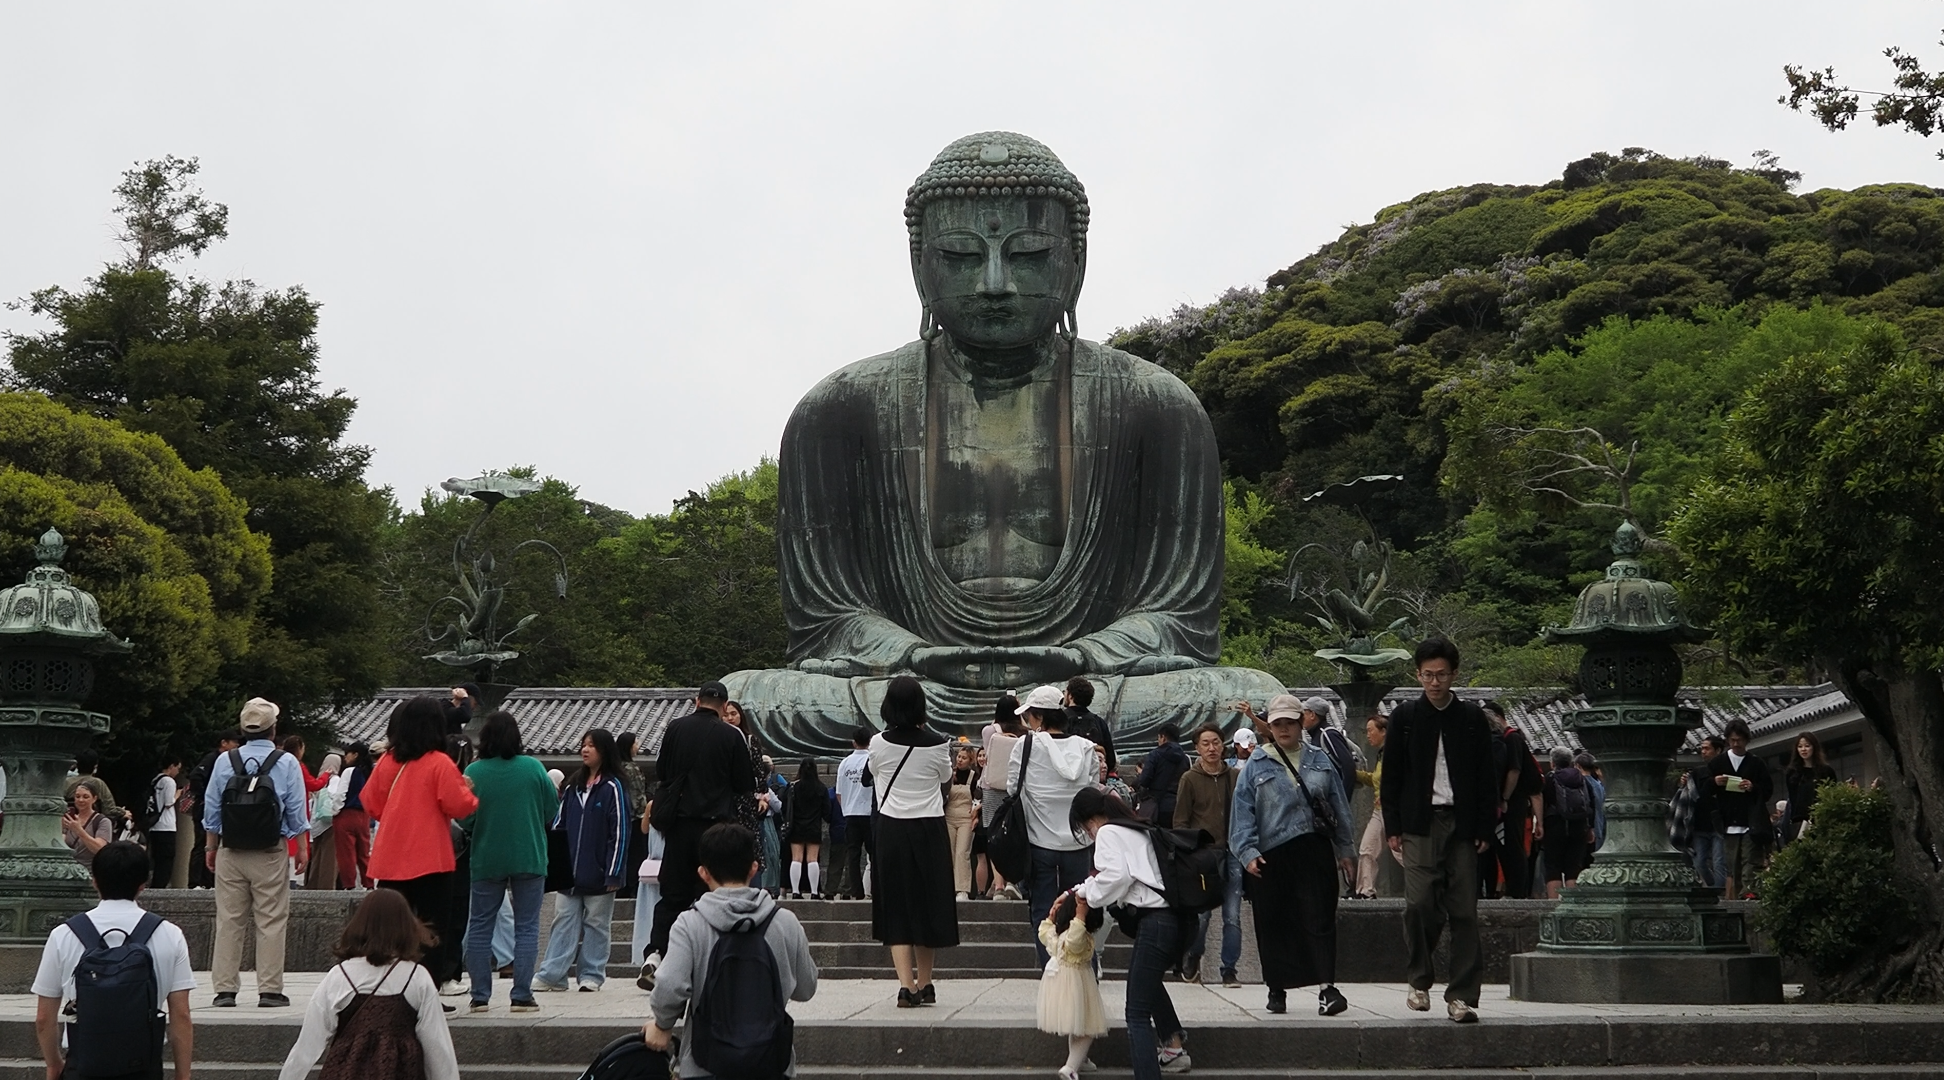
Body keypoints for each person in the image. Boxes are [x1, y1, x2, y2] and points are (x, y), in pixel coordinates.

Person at [1380, 637, 1497, 1024]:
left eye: (1441, 674)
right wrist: (1393, 827)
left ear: (1454, 674)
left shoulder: (1471, 718)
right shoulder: (1406, 717)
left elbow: (1486, 776)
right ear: (1418, 675)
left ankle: (1462, 995)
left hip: (1462, 824)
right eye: (1428, 675)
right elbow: (1392, 775)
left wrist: (1483, 825)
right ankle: (1419, 979)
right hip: (1419, 823)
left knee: (1464, 910)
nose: (1435, 682)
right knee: (1419, 904)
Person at [642, 823, 818, 1077]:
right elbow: (806, 988)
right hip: (771, 1062)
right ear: (754, 867)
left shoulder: (690, 923)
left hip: (706, 1063)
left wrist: (662, 1024)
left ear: (703, 873)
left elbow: (670, 984)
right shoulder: (784, 921)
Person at [1233, 700, 1356, 1016]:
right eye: (1277, 724)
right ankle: (1276, 988)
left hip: (1313, 849)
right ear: (1269, 727)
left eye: (1290, 722)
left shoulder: (1320, 760)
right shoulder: (1256, 764)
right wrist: (1247, 852)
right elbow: (1241, 813)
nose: (1284, 728)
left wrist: (1345, 850)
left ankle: (1327, 988)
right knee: (1273, 921)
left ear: (1301, 722)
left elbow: (1339, 807)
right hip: (1271, 853)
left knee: (1320, 919)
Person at [33, 841, 195, 1080]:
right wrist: (183, 1076)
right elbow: (181, 1016)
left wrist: (53, 1064)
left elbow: (44, 1018)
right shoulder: (169, 934)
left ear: (95, 881)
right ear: (143, 885)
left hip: (83, 1064)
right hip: (143, 1064)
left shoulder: (63, 934)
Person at [363, 695, 481, 1003]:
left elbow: (371, 803)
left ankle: (388, 990)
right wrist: (468, 791)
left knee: (390, 929)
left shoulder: (388, 761)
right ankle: (424, 995)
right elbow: (460, 806)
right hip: (431, 858)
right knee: (431, 930)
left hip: (390, 857)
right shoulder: (439, 763)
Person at [276, 887, 460, 1080]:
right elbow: (437, 1046)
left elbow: (308, 1044)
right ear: (406, 927)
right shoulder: (417, 977)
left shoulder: (340, 976)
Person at [1070, 787, 1190, 1079]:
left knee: (1135, 1013)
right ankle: (1173, 1045)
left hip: (1154, 921)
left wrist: (1087, 896)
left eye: (1084, 829)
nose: (1088, 834)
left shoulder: (1109, 832)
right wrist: (1080, 889)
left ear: (1089, 820)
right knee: (1145, 982)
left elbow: (1116, 878)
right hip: (1173, 920)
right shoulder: (1135, 827)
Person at [644, 681, 754, 992]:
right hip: (715, 827)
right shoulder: (731, 735)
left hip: (679, 825)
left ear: (697, 701)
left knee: (673, 896)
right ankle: (714, 959)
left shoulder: (676, 728)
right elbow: (744, 783)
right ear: (724, 704)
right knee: (715, 895)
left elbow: (663, 771)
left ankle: (656, 955)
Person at [203, 696, 310, 1008]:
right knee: (271, 919)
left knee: (229, 920)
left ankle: (224, 990)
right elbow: (295, 809)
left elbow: (211, 808)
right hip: (270, 849)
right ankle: (270, 990)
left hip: (231, 848)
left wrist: (211, 846)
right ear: (272, 730)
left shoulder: (225, 761)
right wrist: (301, 847)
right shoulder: (287, 762)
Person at [867, 676, 958, 1006]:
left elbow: (875, 772)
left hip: (891, 828)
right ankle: (926, 982)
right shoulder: (937, 742)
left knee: (897, 908)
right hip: (929, 828)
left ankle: (906, 986)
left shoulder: (877, 742)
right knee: (927, 905)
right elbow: (946, 778)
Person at [461, 710, 555, 1012]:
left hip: (487, 856)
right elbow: (551, 811)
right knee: (526, 926)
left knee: (479, 925)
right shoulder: (533, 768)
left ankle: (479, 995)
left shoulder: (474, 773)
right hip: (529, 854)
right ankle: (522, 995)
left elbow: (465, 818)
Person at [1007, 684, 1103, 966]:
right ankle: (1085, 970)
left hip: (1039, 842)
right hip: (1078, 843)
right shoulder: (1086, 748)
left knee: (1043, 911)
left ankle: (1052, 969)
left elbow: (1012, 788)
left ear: (1037, 717)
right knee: (1081, 908)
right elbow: (1093, 790)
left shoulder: (1024, 746)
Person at [537, 728, 629, 992]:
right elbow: (558, 826)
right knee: (563, 920)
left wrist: (614, 872)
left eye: (591, 745)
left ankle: (592, 974)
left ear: (604, 750)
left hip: (600, 873)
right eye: (583, 745)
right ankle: (552, 973)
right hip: (569, 873)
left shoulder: (613, 787)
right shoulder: (573, 785)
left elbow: (620, 831)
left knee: (597, 924)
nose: (585, 750)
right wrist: (556, 867)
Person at [1171, 723, 1240, 986]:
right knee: (1202, 914)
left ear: (1223, 745)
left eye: (1216, 743)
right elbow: (1181, 821)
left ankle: (1229, 969)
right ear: (1197, 748)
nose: (1211, 748)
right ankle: (1194, 953)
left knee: (1232, 916)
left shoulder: (1235, 777)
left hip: (1232, 851)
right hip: (1203, 856)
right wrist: (1190, 852)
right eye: (1205, 744)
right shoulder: (1189, 779)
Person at [1037, 890, 1108, 1080]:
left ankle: (1079, 1059)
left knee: (1077, 1023)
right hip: (1077, 984)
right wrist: (1081, 915)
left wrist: (1050, 917)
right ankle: (1070, 1067)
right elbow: (1075, 941)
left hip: (1061, 984)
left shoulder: (1057, 935)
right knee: (1088, 1027)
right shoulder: (1078, 936)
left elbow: (1043, 933)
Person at [1481, 701, 1543, 900]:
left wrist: (1504, 798)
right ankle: (1493, 890)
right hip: (1501, 803)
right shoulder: (1503, 739)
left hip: (1512, 803)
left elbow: (1514, 770)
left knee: (1511, 848)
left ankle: (1518, 892)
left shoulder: (1511, 738)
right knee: (1493, 847)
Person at [1709, 718, 1774, 900]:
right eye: (1732, 740)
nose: (1736, 744)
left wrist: (1753, 787)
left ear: (1746, 740)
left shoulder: (1756, 763)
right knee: (1733, 863)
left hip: (1751, 820)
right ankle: (1739, 897)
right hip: (1728, 821)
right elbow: (1705, 791)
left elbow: (1768, 790)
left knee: (1750, 859)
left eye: (1740, 740)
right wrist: (1715, 782)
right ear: (1728, 741)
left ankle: (1750, 893)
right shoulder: (1718, 764)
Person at [1353, 715, 1405, 899]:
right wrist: (1354, 773)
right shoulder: (1382, 755)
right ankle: (1365, 891)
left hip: (1395, 810)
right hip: (1379, 810)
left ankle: (1430, 883)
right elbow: (1374, 780)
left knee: (1402, 852)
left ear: (1383, 732)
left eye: (1370, 730)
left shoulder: (1397, 753)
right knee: (1367, 849)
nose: (1368, 735)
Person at [981, 699, 1025, 900]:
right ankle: (1010, 882)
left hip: (992, 787)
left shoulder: (989, 731)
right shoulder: (1027, 734)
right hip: (1016, 787)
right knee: (1014, 832)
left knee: (994, 834)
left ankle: (998, 885)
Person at [188, 729, 243, 889]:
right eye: (234, 741)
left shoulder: (227, 760)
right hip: (204, 808)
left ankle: (208, 881)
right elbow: (195, 776)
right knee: (202, 844)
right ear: (223, 743)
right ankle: (195, 882)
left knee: (213, 845)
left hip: (217, 809)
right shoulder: (213, 758)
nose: (237, 745)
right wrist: (206, 797)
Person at [1541, 748, 1594, 898]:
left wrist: (1540, 823)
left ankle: (1553, 907)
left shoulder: (1550, 779)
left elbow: (1543, 801)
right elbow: (1592, 803)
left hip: (1555, 825)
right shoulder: (1581, 779)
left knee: (1553, 866)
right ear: (1571, 762)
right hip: (1579, 826)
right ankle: (1573, 906)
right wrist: (1590, 827)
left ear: (1552, 763)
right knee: (1574, 866)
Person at [831, 727, 874, 900]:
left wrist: (846, 809)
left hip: (850, 814)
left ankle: (856, 891)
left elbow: (839, 792)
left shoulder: (845, 763)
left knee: (853, 855)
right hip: (870, 813)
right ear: (870, 741)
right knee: (874, 855)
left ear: (853, 742)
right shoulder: (871, 760)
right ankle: (876, 888)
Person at [1783, 732, 1838, 843]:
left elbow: (1833, 795)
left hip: (1821, 819)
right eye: (1800, 746)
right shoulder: (1792, 772)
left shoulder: (1826, 771)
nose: (1803, 749)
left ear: (1814, 747)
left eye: (1807, 746)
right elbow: (1793, 798)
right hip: (1799, 821)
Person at [1686, 736, 1725, 890]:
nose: (1703, 752)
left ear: (1718, 750)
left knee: (1719, 862)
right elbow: (1693, 796)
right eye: (1702, 749)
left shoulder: (1727, 771)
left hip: (1719, 824)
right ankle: (1713, 889)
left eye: (1707, 748)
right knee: (1699, 862)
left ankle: (1719, 893)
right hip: (1700, 824)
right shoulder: (1698, 772)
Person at [786, 758, 828, 899]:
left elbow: (785, 807)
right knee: (812, 859)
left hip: (796, 827)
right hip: (813, 827)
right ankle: (814, 892)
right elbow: (827, 812)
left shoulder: (793, 787)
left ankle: (795, 891)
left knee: (796, 858)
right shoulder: (821, 788)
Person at [1132, 723, 1189, 825]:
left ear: (1163, 737)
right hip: (1178, 806)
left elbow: (1145, 780)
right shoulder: (1185, 758)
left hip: (1157, 807)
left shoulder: (1155, 755)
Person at [615, 732, 650, 899]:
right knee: (637, 854)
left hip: (620, 817)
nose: (638, 747)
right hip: (635, 818)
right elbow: (638, 795)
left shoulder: (615, 768)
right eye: (636, 743)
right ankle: (633, 887)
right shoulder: (632, 768)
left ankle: (622, 887)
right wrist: (644, 816)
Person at [1062, 677, 1118, 780]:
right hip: (1094, 780)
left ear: (1070, 696)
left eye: (1065, 692)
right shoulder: (1099, 722)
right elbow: (1110, 758)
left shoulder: (1059, 720)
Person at [335, 743, 374, 890]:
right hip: (364, 815)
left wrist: (335, 811)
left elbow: (341, 795)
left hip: (346, 814)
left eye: (348, 753)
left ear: (355, 754)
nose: (346, 757)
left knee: (346, 853)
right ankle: (369, 884)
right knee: (364, 853)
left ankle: (349, 885)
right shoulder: (369, 772)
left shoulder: (349, 771)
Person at [143, 756, 183, 889]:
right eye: (177, 768)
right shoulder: (169, 782)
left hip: (154, 825)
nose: (178, 771)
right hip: (166, 825)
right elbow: (169, 802)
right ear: (171, 766)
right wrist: (178, 794)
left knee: (156, 858)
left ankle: (154, 884)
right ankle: (160, 886)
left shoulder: (156, 780)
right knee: (166, 860)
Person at [945, 744, 979, 899]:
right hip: (949, 816)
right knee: (949, 853)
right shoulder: (950, 774)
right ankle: (948, 886)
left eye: (964, 758)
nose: (960, 760)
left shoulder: (974, 777)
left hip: (966, 818)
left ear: (970, 760)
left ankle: (962, 889)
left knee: (962, 853)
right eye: (959, 756)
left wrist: (976, 815)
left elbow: (978, 798)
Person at [62, 782, 115, 870]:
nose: (81, 800)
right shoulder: (69, 820)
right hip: (68, 869)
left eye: (86, 797)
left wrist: (79, 831)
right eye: (77, 796)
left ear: (94, 799)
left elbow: (99, 849)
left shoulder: (102, 821)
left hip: (90, 872)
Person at [758, 757, 788, 896]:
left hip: (758, 822)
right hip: (766, 822)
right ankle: (768, 885)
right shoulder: (766, 790)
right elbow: (779, 807)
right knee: (770, 854)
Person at [1578, 752, 1607, 856]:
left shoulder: (1578, 784)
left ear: (1578, 766)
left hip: (1584, 829)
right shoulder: (1600, 786)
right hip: (1599, 828)